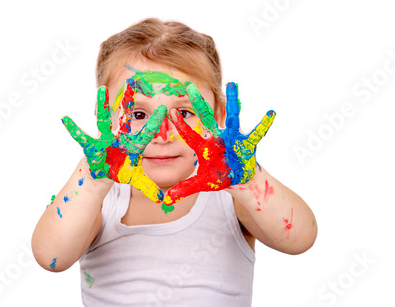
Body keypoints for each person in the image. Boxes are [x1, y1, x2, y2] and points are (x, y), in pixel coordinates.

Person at [31, 18, 317, 306]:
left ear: (217, 115)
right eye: (139, 115)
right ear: (106, 116)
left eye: (184, 113)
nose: (162, 134)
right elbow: (50, 257)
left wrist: (250, 181)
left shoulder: (230, 195)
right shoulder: (100, 200)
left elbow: (300, 239)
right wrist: (92, 180)